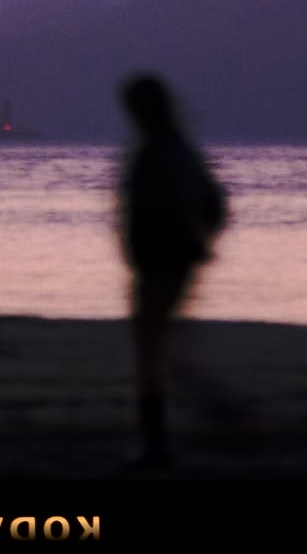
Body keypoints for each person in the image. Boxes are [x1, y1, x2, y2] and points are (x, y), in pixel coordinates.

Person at [116, 73, 228, 471]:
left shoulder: (160, 153)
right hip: (165, 262)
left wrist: (190, 240)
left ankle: (160, 444)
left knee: (153, 352)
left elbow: (203, 205)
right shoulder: (175, 150)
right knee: (163, 349)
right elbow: (215, 205)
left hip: (162, 262)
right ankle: (201, 420)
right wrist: (200, 242)